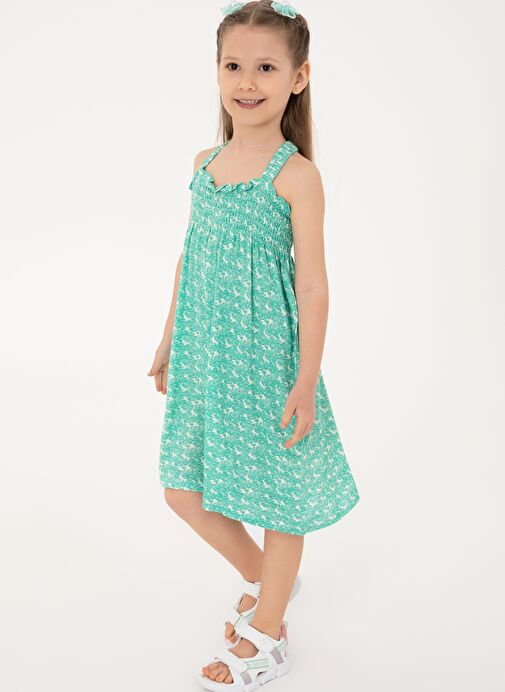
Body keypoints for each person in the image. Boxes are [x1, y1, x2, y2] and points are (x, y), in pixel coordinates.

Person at [147, 0, 360, 687]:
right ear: (216, 71)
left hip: (268, 359)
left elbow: (314, 284)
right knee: (183, 490)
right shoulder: (204, 163)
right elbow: (191, 255)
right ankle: (267, 580)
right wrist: (168, 336)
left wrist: (305, 379)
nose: (246, 81)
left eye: (266, 68)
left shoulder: (296, 177)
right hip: (206, 353)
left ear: (298, 78)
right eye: (233, 65)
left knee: (277, 497)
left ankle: (268, 631)